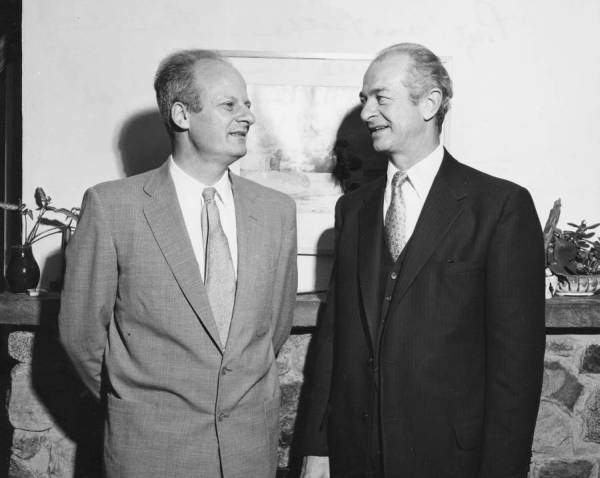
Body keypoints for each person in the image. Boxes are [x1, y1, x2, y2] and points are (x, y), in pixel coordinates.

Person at [300, 43, 545, 478]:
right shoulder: (352, 210)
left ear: (429, 103)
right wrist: (317, 447)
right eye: (363, 100)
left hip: (452, 461)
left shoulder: (500, 206)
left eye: (380, 98)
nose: (366, 113)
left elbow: (516, 366)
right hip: (355, 457)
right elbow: (334, 339)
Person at [59, 50, 297, 478]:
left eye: (247, 104)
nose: (248, 116)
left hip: (248, 455)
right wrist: (137, 405)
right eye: (230, 104)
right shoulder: (114, 207)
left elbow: (272, 329)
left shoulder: (277, 212)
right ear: (182, 114)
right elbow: (81, 335)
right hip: (149, 453)